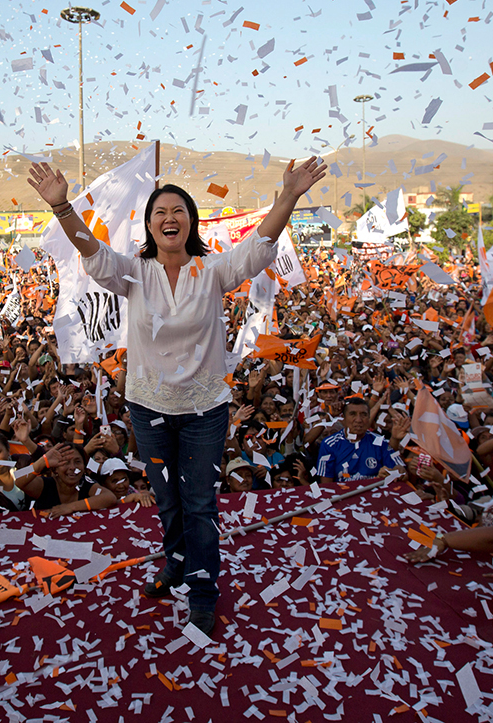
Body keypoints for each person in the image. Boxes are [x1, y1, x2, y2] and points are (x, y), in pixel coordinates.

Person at [26, 156, 326, 635]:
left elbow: (259, 246)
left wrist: (288, 195)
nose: (169, 217)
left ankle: (204, 591)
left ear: (191, 222)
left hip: (205, 411)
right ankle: (177, 564)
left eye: (179, 211)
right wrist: (62, 207)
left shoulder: (213, 272)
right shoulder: (134, 274)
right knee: (167, 501)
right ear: (149, 225)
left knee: (201, 503)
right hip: (149, 411)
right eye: (160, 211)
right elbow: (94, 254)